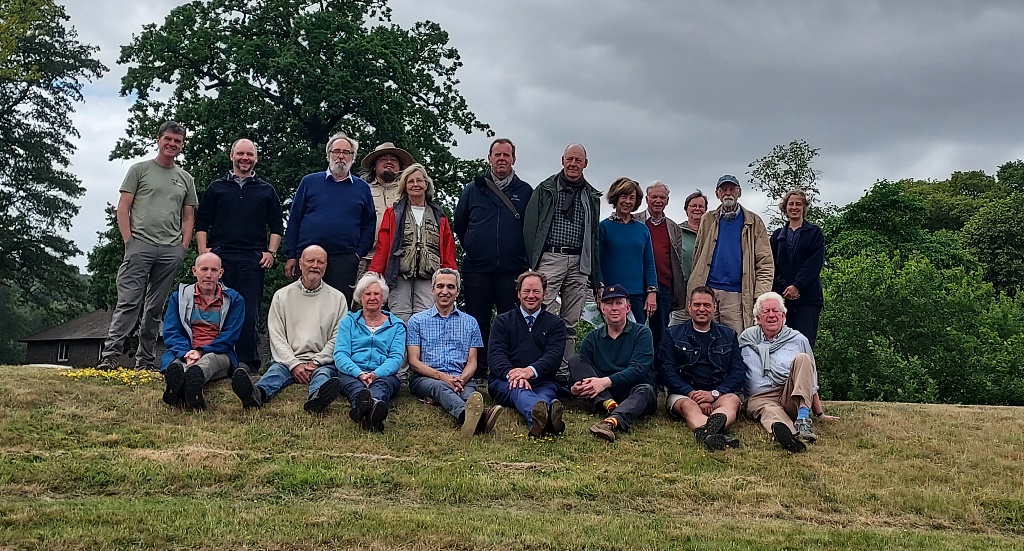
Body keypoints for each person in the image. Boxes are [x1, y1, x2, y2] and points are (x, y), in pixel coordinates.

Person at [97, 121, 198, 371]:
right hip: (140, 245)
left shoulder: (185, 178)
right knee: (129, 302)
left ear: (182, 145)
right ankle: (110, 356)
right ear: (158, 140)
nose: (172, 144)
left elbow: (188, 216)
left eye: (177, 141)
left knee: (155, 308)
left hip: (170, 250)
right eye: (168, 139)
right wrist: (129, 242)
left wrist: (182, 247)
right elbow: (123, 208)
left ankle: (145, 361)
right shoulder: (139, 170)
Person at [195, 138, 284, 373]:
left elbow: (276, 226)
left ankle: (247, 364)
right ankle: (214, 358)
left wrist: (271, 253)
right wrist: (203, 252)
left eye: (250, 155)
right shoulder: (216, 188)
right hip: (220, 256)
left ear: (256, 158)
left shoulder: (266, 190)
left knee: (247, 311)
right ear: (232, 156)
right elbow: (202, 222)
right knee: (215, 308)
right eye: (240, 154)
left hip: (252, 258)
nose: (245, 158)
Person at [230, 245, 349, 412]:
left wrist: (316, 362)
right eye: (310, 261)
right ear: (300, 264)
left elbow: (339, 337)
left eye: (320, 262)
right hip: (287, 361)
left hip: (321, 362)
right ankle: (256, 394)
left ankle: (317, 399)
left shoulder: (338, 299)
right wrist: (294, 364)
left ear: (325, 266)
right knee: (274, 374)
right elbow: (276, 335)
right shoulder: (282, 296)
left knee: (323, 376)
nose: (315, 265)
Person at [454, 138, 533, 377]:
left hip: (512, 269)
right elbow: (460, 223)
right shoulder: (473, 189)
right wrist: (474, 246)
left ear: (513, 160)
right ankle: (478, 370)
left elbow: (532, 227)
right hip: (477, 268)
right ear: (489, 158)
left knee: (510, 321)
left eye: (506, 155)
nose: (501, 159)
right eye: (497, 155)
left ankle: (506, 369)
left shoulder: (525, 191)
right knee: (477, 321)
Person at [523, 144, 602, 378]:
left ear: (585, 164)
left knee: (571, 320)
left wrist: (595, 276)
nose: (573, 164)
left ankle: (563, 372)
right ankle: (534, 367)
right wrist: (534, 261)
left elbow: (594, 235)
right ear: (562, 160)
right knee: (538, 312)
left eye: (578, 160)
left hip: (580, 261)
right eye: (570, 159)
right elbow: (530, 227)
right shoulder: (546, 189)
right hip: (551, 257)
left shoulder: (591, 195)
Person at [407, 268, 503, 435]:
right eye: (440, 286)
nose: (445, 291)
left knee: (471, 396)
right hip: (426, 378)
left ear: (457, 291)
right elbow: (414, 362)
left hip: (461, 377)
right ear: (432, 290)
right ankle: (467, 416)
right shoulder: (417, 321)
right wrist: (443, 378)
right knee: (440, 388)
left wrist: (461, 379)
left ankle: (475, 418)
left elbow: (472, 361)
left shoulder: (470, 322)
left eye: (451, 287)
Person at [739, 292, 837, 453]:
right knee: (770, 412)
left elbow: (810, 379)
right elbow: (736, 370)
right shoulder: (746, 339)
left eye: (776, 311)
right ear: (758, 318)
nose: (771, 315)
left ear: (783, 315)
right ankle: (788, 436)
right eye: (766, 311)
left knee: (803, 359)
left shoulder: (798, 339)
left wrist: (819, 413)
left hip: (789, 394)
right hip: (760, 398)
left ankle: (803, 418)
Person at [284, 132, 374, 304]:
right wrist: (291, 255)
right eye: (336, 151)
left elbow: (369, 224)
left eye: (346, 152)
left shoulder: (362, 188)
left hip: (344, 259)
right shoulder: (309, 182)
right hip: (308, 257)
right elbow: (294, 218)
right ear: (328, 155)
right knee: (304, 305)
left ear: (353, 157)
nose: (341, 156)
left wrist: (357, 254)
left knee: (339, 307)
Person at [659, 286, 746, 451]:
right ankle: (711, 432)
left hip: (718, 392)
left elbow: (738, 371)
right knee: (688, 407)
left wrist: (714, 394)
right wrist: (692, 393)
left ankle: (707, 433)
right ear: (689, 307)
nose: (702, 309)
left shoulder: (729, 335)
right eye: (697, 304)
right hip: (684, 393)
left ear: (715, 308)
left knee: (732, 401)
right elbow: (666, 371)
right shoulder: (672, 334)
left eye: (707, 305)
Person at [368, 163, 457, 321]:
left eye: (419, 180)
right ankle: (401, 347)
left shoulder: (439, 215)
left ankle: (420, 347)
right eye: (410, 181)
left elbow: (447, 247)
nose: (415, 184)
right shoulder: (393, 213)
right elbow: (383, 247)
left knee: (426, 318)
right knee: (400, 318)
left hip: (429, 276)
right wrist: (374, 275)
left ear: (426, 184)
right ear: (404, 186)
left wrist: (451, 276)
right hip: (399, 274)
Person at [569, 284, 656, 443]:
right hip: (604, 393)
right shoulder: (592, 338)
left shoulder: (643, 333)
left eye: (619, 303)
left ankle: (611, 422)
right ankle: (610, 404)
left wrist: (605, 382)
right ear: (602, 309)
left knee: (646, 390)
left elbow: (638, 369)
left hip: (633, 389)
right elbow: (582, 369)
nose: (614, 308)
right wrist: (575, 388)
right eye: (609, 304)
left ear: (628, 307)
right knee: (575, 359)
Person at [688, 174, 773, 334]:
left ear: (739, 192)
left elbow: (765, 263)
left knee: (736, 339)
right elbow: (697, 256)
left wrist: (760, 295)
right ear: (717, 194)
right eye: (724, 189)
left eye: (732, 189)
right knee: (705, 337)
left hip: (737, 294)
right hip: (708, 291)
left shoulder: (754, 222)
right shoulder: (707, 219)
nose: (728, 193)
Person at [488, 271, 568, 437]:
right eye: (526, 291)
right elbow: (496, 356)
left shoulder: (556, 324)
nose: (531, 296)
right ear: (518, 293)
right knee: (519, 388)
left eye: (536, 291)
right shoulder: (502, 321)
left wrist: (530, 371)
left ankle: (540, 423)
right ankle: (545, 419)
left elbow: (553, 357)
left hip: (543, 382)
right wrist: (515, 375)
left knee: (544, 397)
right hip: (505, 382)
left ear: (545, 294)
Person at [160, 252, 243, 410]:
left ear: (221, 273)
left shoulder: (235, 300)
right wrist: (187, 352)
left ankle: (185, 384)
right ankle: (183, 386)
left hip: (219, 352)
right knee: (176, 364)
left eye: (214, 270)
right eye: (204, 269)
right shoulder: (178, 298)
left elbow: (229, 337)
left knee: (208, 361)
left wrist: (201, 351)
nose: (209, 275)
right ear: (194, 271)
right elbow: (172, 331)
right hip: (185, 351)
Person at [331, 273, 406, 432]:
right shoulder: (348, 322)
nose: (372, 297)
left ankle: (371, 407)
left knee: (382, 387)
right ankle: (370, 410)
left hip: (383, 375)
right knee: (355, 387)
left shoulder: (397, 325)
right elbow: (340, 354)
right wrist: (359, 373)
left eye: (376, 293)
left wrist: (376, 374)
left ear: (383, 297)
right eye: (368, 293)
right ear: (360, 297)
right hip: (351, 373)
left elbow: (396, 357)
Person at [633, 181, 686, 349]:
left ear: (667, 201)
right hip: (637, 286)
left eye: (662, 197)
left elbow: (677, 261)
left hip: (664, 286)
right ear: (647, 199)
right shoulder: (634, 221)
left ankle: (660, 371)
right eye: (654, 197)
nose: (658, 200)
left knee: (660, 333)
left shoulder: (673, 228)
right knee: (636, 330)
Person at [770, 189, 825, 347]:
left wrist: (797, 286)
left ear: (804, 207)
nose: (794, 207)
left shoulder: (815, 233)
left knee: (804, 345)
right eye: (791, 204)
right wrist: (785, 287)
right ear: (785, 207)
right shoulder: (777, 235)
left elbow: (814, 263)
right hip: (783, 299)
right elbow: (771, 265)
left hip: (808, 299)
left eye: (798, 204)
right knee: (781, 345)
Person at [599, 177, 657, 324]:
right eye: (624, 197)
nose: (628, 201)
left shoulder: (642, 230)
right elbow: (596, 262)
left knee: (636, 336)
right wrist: (599, 289)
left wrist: (652, 292)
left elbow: (649, 263)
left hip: (637, 295)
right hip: (611, 294)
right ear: (616, 198)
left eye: (632, 198)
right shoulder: (603, 227)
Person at [358, 142, 414, 278]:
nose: (389, 162)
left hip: (399, 259)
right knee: (362, 297)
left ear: (400, 167)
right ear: (374, 166)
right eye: (383, 159)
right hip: (366, 258)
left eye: (393, 159)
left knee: (396, 299)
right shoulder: (362, 190)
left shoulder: (409, 192)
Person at [670, 190, 708, 325]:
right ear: (686, 209)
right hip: (683, 294)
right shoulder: (676, 231)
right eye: (693, 206)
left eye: (701, 206)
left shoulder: (713, 234)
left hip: (707, 293)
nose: (697, 209)